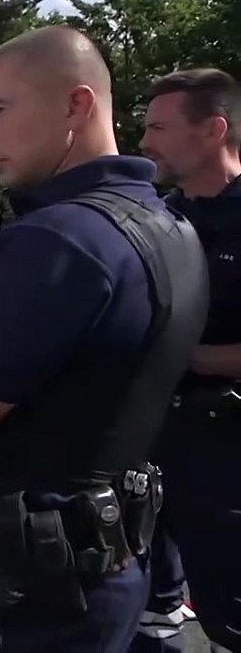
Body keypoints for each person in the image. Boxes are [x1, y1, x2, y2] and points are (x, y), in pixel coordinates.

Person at [0, 25, 210, 653]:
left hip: (34, 587)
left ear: (77, 105)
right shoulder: (172, 226)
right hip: (112, 564)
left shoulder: (55, 242)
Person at [139, 68, 241, 653]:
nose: (145, 139)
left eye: (159, 126)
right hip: (153, 439)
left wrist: (196, 357)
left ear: (214, 131)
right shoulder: (158, 217)